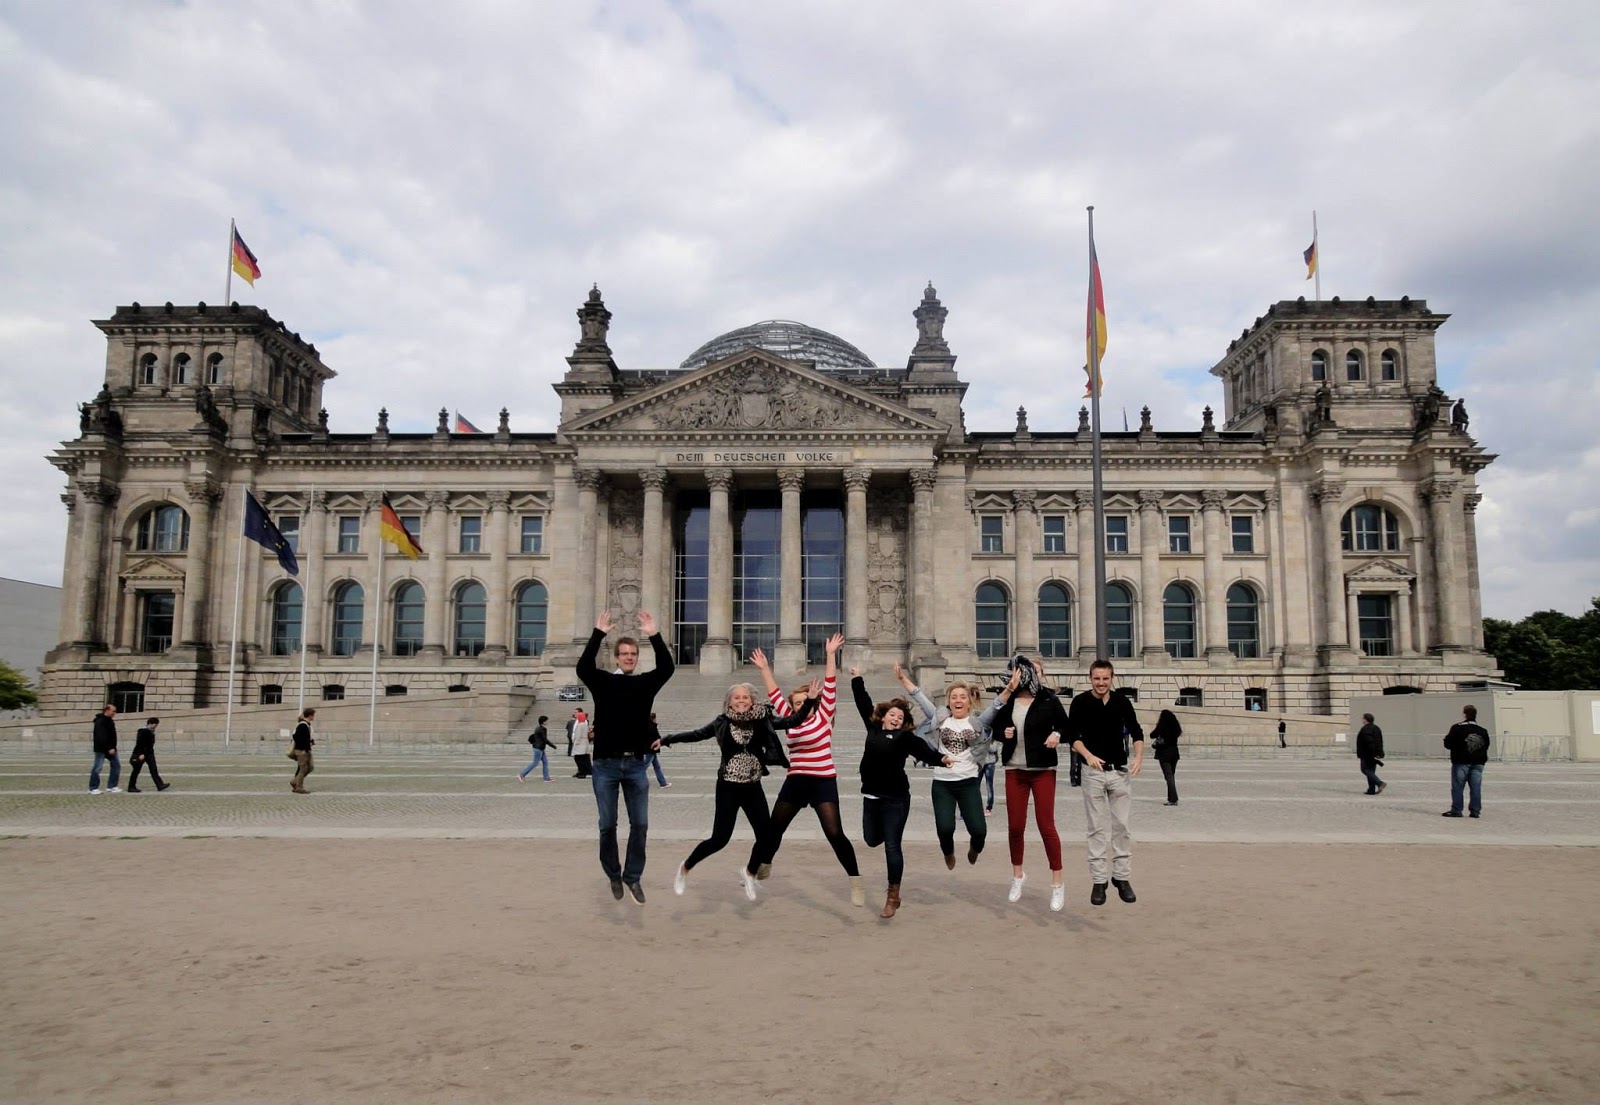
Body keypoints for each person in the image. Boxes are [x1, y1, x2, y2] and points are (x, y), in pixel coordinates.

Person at [660, 678, 820, 900]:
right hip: (727, 787)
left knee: (767, 837)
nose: (741, 700)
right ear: (729, 702)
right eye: (737, 697)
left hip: (753, 787)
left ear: (752, 700)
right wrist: (667, 739)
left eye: (745, 697)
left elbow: (793, 721)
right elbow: (695, 735)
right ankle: (686, 866)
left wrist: (811, 700)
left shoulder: (763, 719)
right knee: (719, 839)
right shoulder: (721, 722)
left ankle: (750, 872)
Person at [750, 634, 865, 906]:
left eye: (804, 702)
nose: (800, 705)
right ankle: (765, 861)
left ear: (813, 702)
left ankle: (855, 879)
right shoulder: (790, 721)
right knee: (773, 829)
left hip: (823, 782)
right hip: (796, 782)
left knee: (834, 833)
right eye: (796, 703)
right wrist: (765, 668)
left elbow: (831, 685)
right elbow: (775, 694)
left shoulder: (824, 716)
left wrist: (830, 655)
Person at [576, 609, 675, 906]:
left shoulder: (645, 684)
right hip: (605, 764)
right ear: (617, 657)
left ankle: (633, 877)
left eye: (633, 653)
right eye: (625, 653)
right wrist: (598, 634)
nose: (630, 657)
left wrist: (654, 635)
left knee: (641, 825)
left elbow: (667, 668)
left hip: (635, 764)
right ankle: (613, 874)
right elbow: (583, 668)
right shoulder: (603, 682)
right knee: (607, 824)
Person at [853, 667, 950, 918]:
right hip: (872, 797)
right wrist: (856, 678)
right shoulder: (873, 730)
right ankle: (887, 833)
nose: (896, 718)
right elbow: (862, 703)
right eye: (892, 715)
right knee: (871, 840)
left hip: (896, 799)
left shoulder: (905, 738)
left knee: (892, 847)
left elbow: (923, 750)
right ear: (883, 716)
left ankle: (893, 896)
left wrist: (941, 759)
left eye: (900, 717)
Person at [897, 662, 1010, 869]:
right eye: (953, 697)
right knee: (945, 828)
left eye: (962, 697)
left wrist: (1010, 689)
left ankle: (975, 848)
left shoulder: (978, 722)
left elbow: (996, 706)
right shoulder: (940, 719)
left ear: (969, 702)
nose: (958, 700)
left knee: (979, 830)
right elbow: (920, 698)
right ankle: (948, 852)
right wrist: (903, 679)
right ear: (949, 702)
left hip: (968, 783)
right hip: (942, 784)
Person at [992, 655, 1074, 911]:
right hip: (1014, 769)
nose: (1032, 675)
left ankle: (1057, 883)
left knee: (1045, 825)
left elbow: (1067, 727)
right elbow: (994, 727)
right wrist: (1002, 733)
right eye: (1028, 671)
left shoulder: (1049, 699)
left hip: (1042, 770)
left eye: (1037, 671)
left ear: (1042, 674)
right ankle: (1018, 876)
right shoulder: (1009, 699)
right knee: (1015, 826)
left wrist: (1057, 734)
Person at [1068, 659, 1145, 906]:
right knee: (1096, 828)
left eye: (1105, 678)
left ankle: (1121, 877)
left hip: (1119, 772)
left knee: (1122, 825)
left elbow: (1136, 731)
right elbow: (1072, 737)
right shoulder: (1080, 702)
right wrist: (1088, 756)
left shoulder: (1122, 702)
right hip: (1092, 773)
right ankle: (1099, 880)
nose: (1101, 683)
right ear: (1090, 678)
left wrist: (1139, 757)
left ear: (1112, 679)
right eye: (1096, 678)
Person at [1442, 704, 1492, 818]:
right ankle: (1475, 811)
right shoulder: (1482, 730)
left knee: (1458, 786)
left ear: (1464, 714)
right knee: (1476, 787)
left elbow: (1448, 743)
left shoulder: (1457, 728)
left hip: (1461, 761)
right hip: (1478, 762)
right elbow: (1486, 745)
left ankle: (1457, 810)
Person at [127, 716, 171, 793]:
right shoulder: (143, 731)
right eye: (155, 725)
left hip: (149, 753)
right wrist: (141, 753)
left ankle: (159, 785)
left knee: (153, 769)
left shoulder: (151, 731)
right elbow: (139, 743)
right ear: (150, 723)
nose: (156, 727)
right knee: (136, 770)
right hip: (142, 753)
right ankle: (131, 786)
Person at [88, 703, 120, 795]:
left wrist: (113, 747)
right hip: (101, 749)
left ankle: (112, 786)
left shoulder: (110, 721)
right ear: (107, 710)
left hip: (111, 748)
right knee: (97, 768)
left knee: (116, 766)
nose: (114, 713)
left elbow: (112, 736)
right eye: (113, 711)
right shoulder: (100, 721)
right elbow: (101, 736)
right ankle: (93, 787)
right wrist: (109, 747)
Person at [1151, 709, 1181, 805]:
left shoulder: (1162, 726)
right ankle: (1172, 798)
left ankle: (1172, 799)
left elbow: (1152, 735)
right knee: (1171, 776)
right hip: (1174, 754)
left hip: (1164, 754)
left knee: (1169, 777)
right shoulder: (1176, 728)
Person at [1355, 713, 1386, 795]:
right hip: (1375, 753)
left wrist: (1368, 752)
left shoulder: (1365, 729)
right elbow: (1380, 741)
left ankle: (1379, 783)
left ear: (1365, 719)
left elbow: (1368, 742)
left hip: (1367, 753)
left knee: (1365, 769)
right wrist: (1379, 752)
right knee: (1371, 771)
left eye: (1363, 718)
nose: (1362, 720)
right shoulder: (1376, 728)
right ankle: (1371, 789)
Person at [518, 715, 553, 782]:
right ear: (544, 721)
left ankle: (546, 778)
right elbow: (544, 739)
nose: (548, 721)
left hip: (539, 747)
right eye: (547, 720)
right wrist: (552, 745)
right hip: (539, 748)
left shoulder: (538, 728)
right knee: (535, 763)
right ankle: (522, 774)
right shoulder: (542, 729)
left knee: (545, 762)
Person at [290, 707, 316, 794]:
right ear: (309, 715)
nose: (314, 717)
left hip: (307, 749)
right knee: (303, 769)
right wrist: (303, 748)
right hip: (302, 751)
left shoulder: (307, 725)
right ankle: (299, 787)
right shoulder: (302, 725)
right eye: (313, 715)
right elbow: (296, 737)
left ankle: (295, 781)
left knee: (310, 767)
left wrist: (310, 742)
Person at [642, 714, 671, 788]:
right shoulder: (652, 727)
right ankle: (633, 782)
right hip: (651, 750)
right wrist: (667, 744)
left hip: (650, 750)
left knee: (657, 766)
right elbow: (658, 738)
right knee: (643, 768)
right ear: (653, 719)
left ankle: (663, 783)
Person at [570, 710, 592, 778]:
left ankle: (582, 772)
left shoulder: (580, 725)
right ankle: (583, 772)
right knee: (583, 758)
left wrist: (576, 742)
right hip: (585, 742)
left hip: (580, 743)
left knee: (578, 758)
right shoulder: (585, 724)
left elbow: (578, 735)